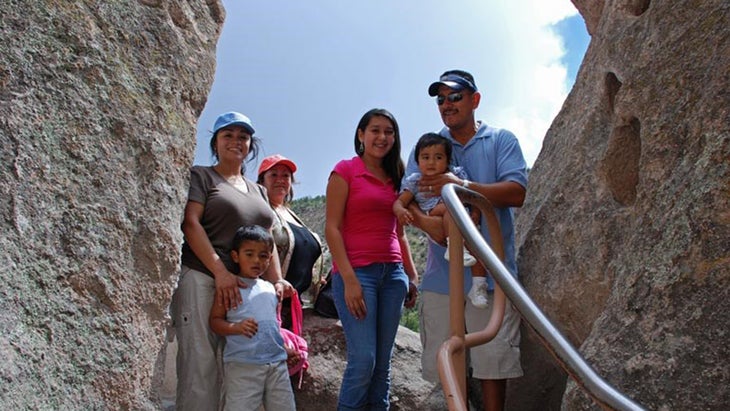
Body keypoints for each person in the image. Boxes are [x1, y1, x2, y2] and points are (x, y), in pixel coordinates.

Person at [406, 70, 528, 411]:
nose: (447, 104)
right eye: (441, 99)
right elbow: (408, 195)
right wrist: (427, 221)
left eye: (455, 96)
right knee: (446, 362)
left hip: (491, 276)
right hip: (440, 279)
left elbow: (517, 191)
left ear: (475, 99)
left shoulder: (501, 140)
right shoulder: (428, 145)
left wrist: (461, 189)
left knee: (493, 361)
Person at [171, 111, 292, 411]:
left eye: (243, 136)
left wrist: (275, 280)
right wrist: (220, 270)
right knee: (201, 365)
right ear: (215, 142)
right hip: (204, 276)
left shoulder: (259, 190)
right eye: (228, 135)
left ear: (251, 144)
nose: (236, 141)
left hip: (245, 288)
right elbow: (191, 224)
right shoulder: (202, 176)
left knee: (238, 369)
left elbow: (268, 239)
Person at [325, 108, 419, 410]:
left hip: (393, 276)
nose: (382, 137)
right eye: (375, 130)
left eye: (389, 132)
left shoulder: (398, 177)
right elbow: (332, 228)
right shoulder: (345, 170)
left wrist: (411, 275)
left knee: (382, 365)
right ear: (361, 134)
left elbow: (400, 233)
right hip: (358, 274)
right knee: (363, 360)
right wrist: (349, 280)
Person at [393, 132, 491, 309]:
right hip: (436, 214)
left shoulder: (455, 175)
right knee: (449, 207)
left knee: (477, 251)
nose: (431, 162)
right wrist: (400, 211)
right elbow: (400, 202)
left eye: (438, 157)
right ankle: (454, 246)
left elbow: (472, 196)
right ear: (418, 161)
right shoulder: (415, 182)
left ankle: (479, 286)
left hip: (463, 217)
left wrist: (475, 213)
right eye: (425, 157)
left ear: (447, 160)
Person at [209, 225, 297, 411]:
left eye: (263, 256)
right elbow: (215, 321)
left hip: (276, 364)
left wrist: (284, 348)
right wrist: (236, 328)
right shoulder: (231, 287)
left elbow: (270, 326)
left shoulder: (270, 289)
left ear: (270, 259)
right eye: (249, 254)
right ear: (235, 256)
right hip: (243, 366)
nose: (256, 260)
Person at [257, 154, 324, 330]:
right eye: (274, 175)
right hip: (269, 303)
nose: (280, 180)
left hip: (296, 306)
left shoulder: (292, 215)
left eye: (286, 176)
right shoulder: (261, 211)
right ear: (262, 181)